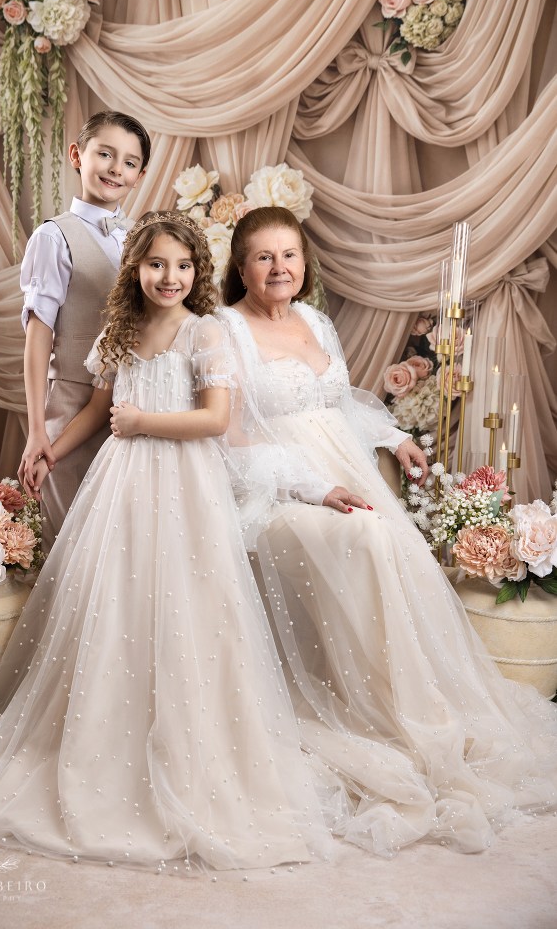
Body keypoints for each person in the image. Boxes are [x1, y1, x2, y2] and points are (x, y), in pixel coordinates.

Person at [0, 212, 334, 873]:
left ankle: (190, 745)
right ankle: (108, 736)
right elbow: (100, 411)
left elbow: (216, 418)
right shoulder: (119, 331)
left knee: (188, 607)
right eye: (156, 264)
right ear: (136, 269)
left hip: (185, 488)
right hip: (122, 484)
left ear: (198, 272)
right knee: (118, 603)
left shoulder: (205, 331)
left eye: (182, 266)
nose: (169, 277)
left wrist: (144, 420)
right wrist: (49, 448)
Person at [217, 205, 557, 858]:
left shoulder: (314, 320)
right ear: (240, 267)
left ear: (304, 263)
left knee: (395, 543)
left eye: (289, 254)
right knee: (369, 538)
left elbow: (340, 403)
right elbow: (229, 437)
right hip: (271, 491)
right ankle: (374, 709)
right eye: (263, 257)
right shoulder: (223, 330)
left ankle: (409, 708)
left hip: (347, 475)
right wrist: (311, 487)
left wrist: (392, 436)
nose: (279, 267)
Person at [18, 110, 151, 553]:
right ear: (77, 155)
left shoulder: (142, 237)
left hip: (132, 401)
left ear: (140, 175)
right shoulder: (54, 237)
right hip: (73, 399)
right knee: (70, 539)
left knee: (122, 542)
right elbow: (39, 335)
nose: (116, 169)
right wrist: (38, 429)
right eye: (105, 154)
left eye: (129, 162)